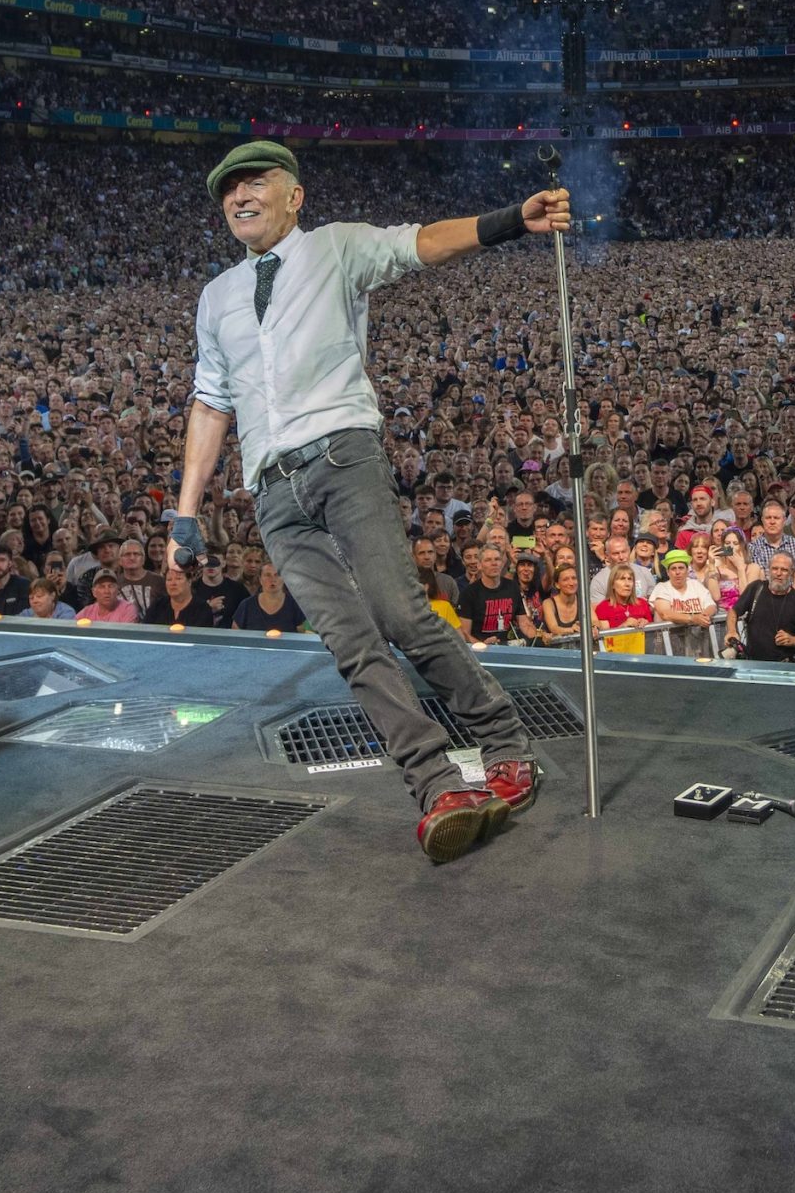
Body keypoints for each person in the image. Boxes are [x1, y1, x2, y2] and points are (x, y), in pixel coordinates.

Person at [171, 139, 567, 862]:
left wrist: (513, 218)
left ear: (295, 195)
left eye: (255, 180)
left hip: (342, 456)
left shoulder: (335, 249)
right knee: (351, 644)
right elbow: (209, 403)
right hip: (272, 494)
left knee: (398, 614)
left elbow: (423, 244)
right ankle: (438, 784)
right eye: (228, 188)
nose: (239, 195)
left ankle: (504, 742)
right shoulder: (215, 298)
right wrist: (186, 511)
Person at [730, 551, 795, 662]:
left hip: (786, 666)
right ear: (769, 570)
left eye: (784, 570)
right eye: (775, 568)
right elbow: (733, 611)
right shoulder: (756, 588)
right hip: (753, 663)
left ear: (792, 573)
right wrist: (732, 631)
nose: (778, 573)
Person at [647, 550, 718, 652]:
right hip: (668, 647)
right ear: (667, 572)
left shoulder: (695, 585)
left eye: (681, 568)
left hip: (697, 645)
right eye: (673, 569)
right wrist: (694, 619)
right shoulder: (662, 587)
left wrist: (704, 617)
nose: (677, 572)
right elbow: (665, 614)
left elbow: (711, 605)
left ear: (687, 570)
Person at [228, 561, 304, 633]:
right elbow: (235, 635)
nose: (272, 579)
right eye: (268, 575)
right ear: (260, 579)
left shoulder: (295, 604)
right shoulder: (247, 605)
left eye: (277, 575)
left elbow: (303, 635)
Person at [191, 549, 247, 626]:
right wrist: (208, 609)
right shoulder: (191, 589)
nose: (211, 566)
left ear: (224, 563)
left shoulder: (238, 590)